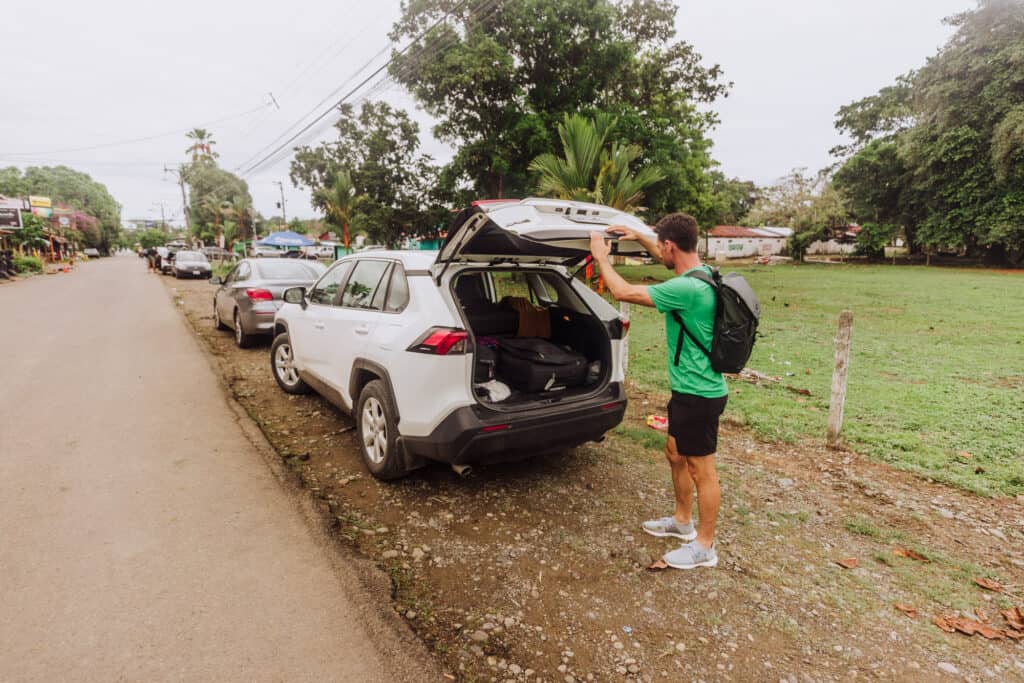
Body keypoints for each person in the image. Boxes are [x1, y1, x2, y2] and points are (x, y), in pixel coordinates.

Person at [589, 213, 727, 570]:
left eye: (661, 247)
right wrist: (640, 234)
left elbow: (622, 291)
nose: (659, 254)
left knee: (702, 470)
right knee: (675, 453)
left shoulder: (686, 289)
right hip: (688, 390)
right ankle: (682, 522)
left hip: (700, 394)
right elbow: (668, 257)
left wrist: (601, 257)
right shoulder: (702, 273)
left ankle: (705, 546)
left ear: (670, 246)